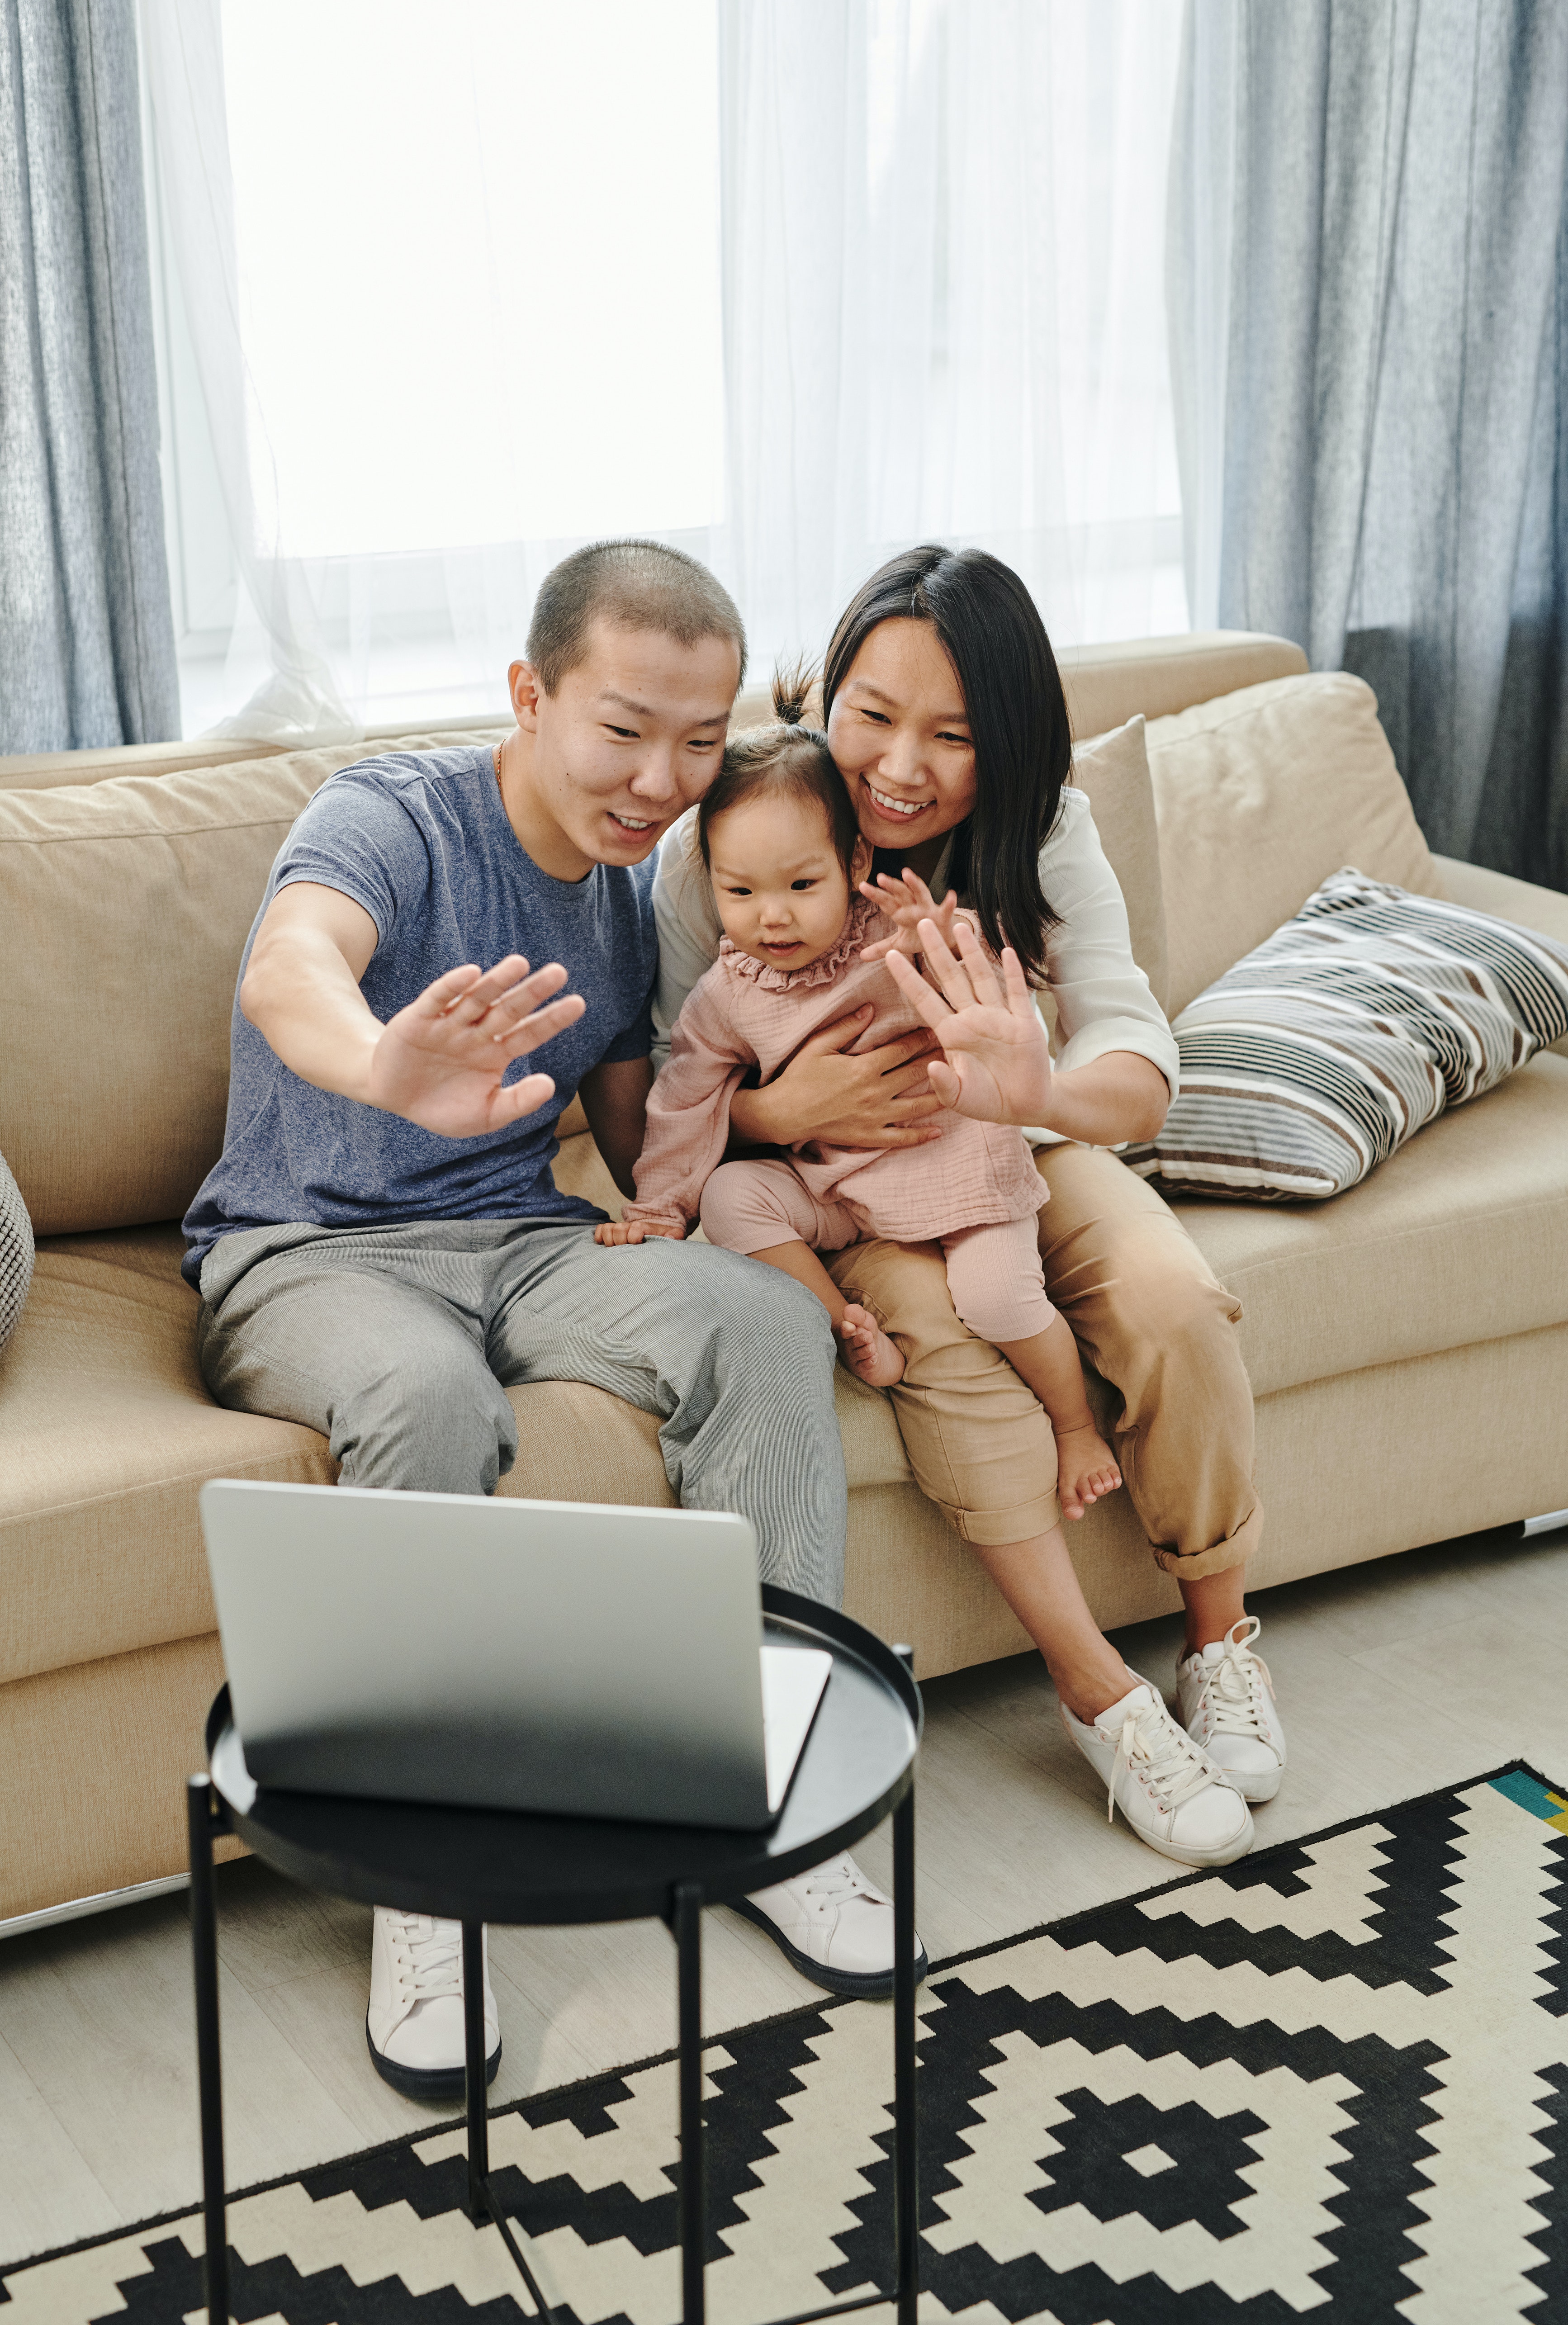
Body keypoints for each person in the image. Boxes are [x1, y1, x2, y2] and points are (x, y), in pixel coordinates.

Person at [184, 540, 918, 2104]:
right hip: (308, 1249)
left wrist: (789, 1132)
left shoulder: (630, 891)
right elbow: (288, 968)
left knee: (758, 1331)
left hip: (521, 1238)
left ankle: (762, 1795)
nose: (663, 779)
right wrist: (381, 1064)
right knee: (430, 1401)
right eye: (624, 728)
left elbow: (644, 1117)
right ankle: (418, 1885)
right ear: (529, 695)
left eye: (700, 739)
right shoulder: (391, 815)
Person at [653, 545, 1287, 1872]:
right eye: (871, 715)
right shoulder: (734, 825)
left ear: (1004, 740)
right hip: (847, 1195)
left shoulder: (1040, 826)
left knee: (1169, 1299)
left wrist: (1036, 1084)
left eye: (950, 735)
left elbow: (1134, 1057)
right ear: (824, 692)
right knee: (947, 1336)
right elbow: (666, 1080)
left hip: (1012, 1144)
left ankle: (1218, 1642)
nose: (898, 766)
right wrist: (782, 1109)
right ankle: (1097, 1694)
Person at [597, 671, 1124, 1525]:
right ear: (714, 885)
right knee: (735, 1196)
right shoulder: (725, 995)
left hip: (950, 1170)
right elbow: (685, 1102)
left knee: (995, 1296)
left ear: (852, 863)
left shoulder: (894, 941)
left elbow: (996, 1006)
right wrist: (660, 1205)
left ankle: (1075, 1430)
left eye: (801, 887)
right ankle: (848, 1326)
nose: (772, 917)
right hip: (836, 1193)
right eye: (741, 893)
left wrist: (940, 940)